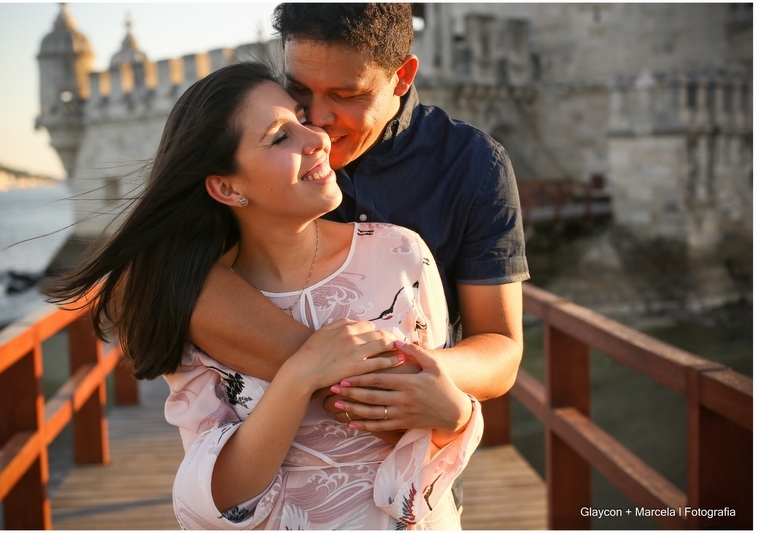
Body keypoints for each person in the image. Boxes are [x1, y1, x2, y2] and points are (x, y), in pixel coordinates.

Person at [43, 62, 484, 529]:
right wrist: (299, 377)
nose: (317, 137)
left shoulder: (401, 252)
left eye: (302, 117)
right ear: (227, 187)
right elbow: (215, 500)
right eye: (279, 137)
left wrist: (455, 416)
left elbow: (426, 422)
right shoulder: (189, 297)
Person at [188, 1, 528, 465]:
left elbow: (502, 347)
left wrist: (415, 380)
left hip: (416, 461)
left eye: (346, 95)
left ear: (402, 77)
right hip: (262, 464)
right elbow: (153, 273)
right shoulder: (252, 150)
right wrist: (336, 372)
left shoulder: (473, 165)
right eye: (299, 88)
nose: (319, 121)